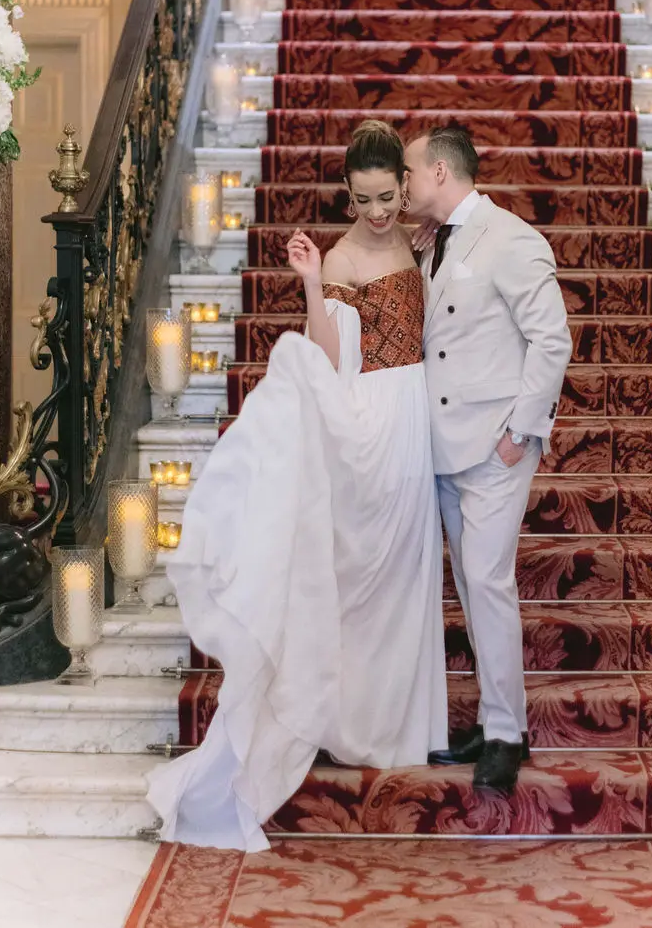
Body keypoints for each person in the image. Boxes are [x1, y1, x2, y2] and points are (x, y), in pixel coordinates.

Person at [146, 120, 448, 851]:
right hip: (371, 414)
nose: (378, 211)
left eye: (388, 197)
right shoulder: (342, 254)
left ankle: (407, 727)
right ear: (346, 193)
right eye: (365, 198)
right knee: (361, 580)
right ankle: (346, 723)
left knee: (412, 575)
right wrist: (314, 283)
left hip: (417, 414)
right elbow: (326, 353)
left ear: (404, 187)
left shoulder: (419, 238)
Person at [403, 125, 572, 795]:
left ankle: (507, 734)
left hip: (495, 444)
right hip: (444, 444)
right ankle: (496, 717)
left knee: (488, 579)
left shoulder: (510, 237)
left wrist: (521, 430)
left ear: (440, 171)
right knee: (473, 588)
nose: (407, 182)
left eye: (411, 171)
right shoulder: (436, 243)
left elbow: (551, 340)